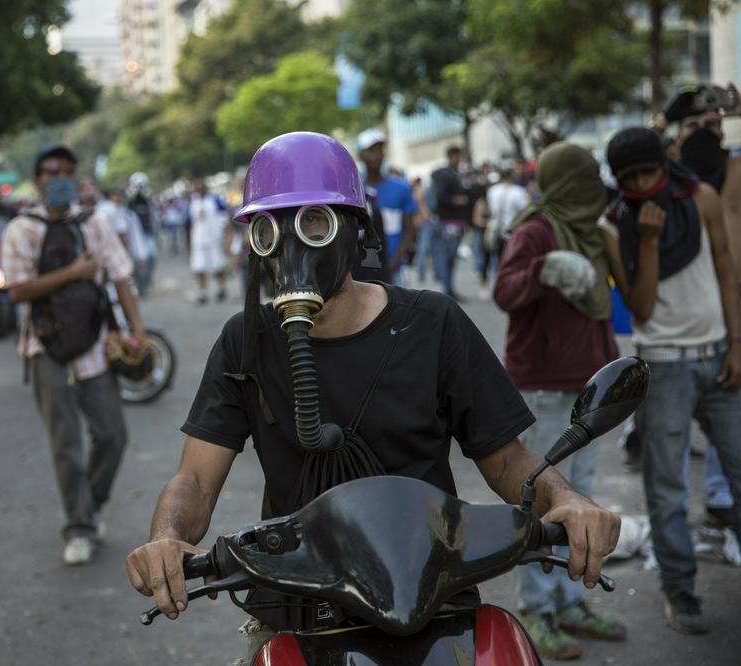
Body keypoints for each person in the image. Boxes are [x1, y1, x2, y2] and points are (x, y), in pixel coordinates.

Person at [126, 131, 621, 660]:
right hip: (300, 606)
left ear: (353, 228)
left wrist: (565, 500)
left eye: (314, 221)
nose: (293, 244)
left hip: (433, 598)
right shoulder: (246, 341)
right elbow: (197, 479)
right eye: (271, 228)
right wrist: (167, 537)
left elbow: (505, 458)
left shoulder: (432, 324)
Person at [602, 127, 741, 634]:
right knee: (667, 489)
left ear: (665, 163)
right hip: (662, 363)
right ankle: (680, 592)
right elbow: (639, 306)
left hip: (719, 356)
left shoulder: (700, 196)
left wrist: (737, 342)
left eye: (649, 170)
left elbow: (726, 266)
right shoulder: (616, 222)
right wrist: (651, 241)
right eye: (630, 177)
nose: (642, 183)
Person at [494, 143, 626, 659]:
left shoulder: (590, 230)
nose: (595, 184)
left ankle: (571, 602)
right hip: (544, 387)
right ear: (567, 181)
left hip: (587, 385)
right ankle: (536, 608)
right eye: (587, 175)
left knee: (582, 499)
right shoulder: (536, 231)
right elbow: (505, 291)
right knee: (544, 502)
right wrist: (543, 267)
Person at [0, 145, 144, 566]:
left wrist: (136, 330)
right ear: (38, 180)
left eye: (66, 170)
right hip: (46, 351)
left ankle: (92, 505)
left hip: (96, 347)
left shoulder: (94, 223)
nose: (59, 178)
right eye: (50, 171)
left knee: (112, 435)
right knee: (66, 445)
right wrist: (75, 273)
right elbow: (17, 290)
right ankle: (78, 526)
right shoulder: (20, 230)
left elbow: (121, 278)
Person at [667, 86, 741, 528]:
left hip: (728, 316)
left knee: (729, 416)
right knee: (670, 438)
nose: (705, 134)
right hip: (677, 327)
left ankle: (718, 497)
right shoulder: (663, 179)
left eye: (714, 125)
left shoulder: (733, 172)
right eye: (694, 126)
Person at [356, 129, 418, 285]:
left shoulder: (401, 188)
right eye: (371, 150)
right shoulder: (354, 191)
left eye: (380, 149)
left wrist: (392, 264)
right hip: (361, 273)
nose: (377, 155)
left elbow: (409, 230)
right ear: (361, 155)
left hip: (394, 271)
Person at [431, 145, 470, 299]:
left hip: (455, 221)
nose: (458, 160)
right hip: (449, 222)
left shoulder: (454, 174)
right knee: (448, 257)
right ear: (451, 156)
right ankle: (447, 289)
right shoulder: (445, 175)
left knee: (451, 258)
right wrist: (455, 200)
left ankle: (449, 288)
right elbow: (440, 197)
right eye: (456, 156)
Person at [188, 180, 229, 304]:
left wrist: (224, 233)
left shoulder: (215, 199)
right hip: (199, 240)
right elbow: (190, 221)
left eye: (201, 187)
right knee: (199, 268)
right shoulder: (193, 202)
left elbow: (226, 213)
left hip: (213, 240)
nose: (199, 190)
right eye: (197, 188)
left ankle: (222, 288)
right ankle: (203, 293)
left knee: (217, 267)